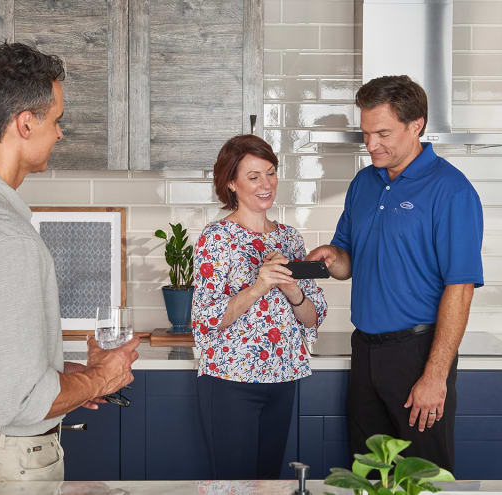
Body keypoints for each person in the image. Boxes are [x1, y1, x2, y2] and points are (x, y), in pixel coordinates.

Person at [0, 42, 139, 482]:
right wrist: (102, 379)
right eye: (56, 121)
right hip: (7, 463)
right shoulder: (8, 241)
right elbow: (15, 403)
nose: (59, 134)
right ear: (25, 123)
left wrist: (67, 377)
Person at [306, 75, 484, 472]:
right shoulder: (364, 183)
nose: (371, 145)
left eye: (382, 133)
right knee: (367, 474)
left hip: (417, 354)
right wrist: (332, 257)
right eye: (366, 133)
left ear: (416, 124)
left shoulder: (451, 191)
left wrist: (434, 376)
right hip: (365, 351)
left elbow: (460, 289)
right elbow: (348, 261)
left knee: (423, 476)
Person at [192, 134, 328, 480]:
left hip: (283, 378)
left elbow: (313, 317)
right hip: (230, 382)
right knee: (234, 483)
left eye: (270, 173)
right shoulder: (216, 238)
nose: (265, 184)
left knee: (268, 482)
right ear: (232, 184)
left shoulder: (289, 238)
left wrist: (292, 289)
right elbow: (205, 321)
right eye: (253, 177)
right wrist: (259, 285)